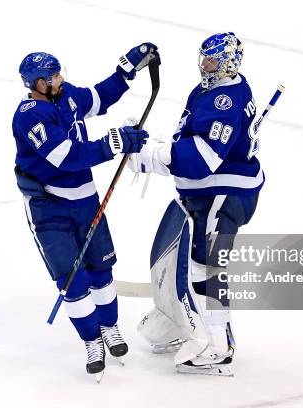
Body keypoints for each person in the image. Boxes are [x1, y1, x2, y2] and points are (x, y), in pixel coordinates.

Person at [11, 43, 157, 379]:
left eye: (59, 72)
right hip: (50, 208)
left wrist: (126, 70)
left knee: (101, 271)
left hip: (85, 199)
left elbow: (99, 97)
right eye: (53, 75)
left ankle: (110, 327)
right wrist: (112, 143)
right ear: (38, 83)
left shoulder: (66, 95)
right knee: (72, 282)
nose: (60, 78)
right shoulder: (29, 115)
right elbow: (65, 157)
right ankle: (92, 340)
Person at [128, 33, 262, 376]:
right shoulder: (209, 91)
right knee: (183, 261)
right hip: (208, 193)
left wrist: (149, 156)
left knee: (207, 269)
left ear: (229, 63)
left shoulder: (226, 103)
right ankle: (178, 321)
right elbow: (185, 142)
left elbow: (201, 159)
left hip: (224, 195)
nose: (205, 65)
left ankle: (218, 343)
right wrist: (155, 150)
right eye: (203, 59)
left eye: (213, 61)